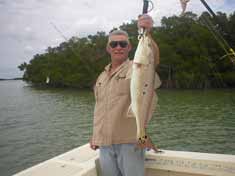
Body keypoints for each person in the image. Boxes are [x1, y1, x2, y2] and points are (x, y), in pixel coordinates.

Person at [90, 14, 159, 176]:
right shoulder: (102, 76)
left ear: (129, 47)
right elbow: (100, 108)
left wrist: (147, 33)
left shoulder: (135, 68)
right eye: (114, 44)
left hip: (129, 143)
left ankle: (142, 138)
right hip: (105, 145)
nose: (118, 47)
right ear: (108, 48)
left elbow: (152, 59)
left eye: (123, 44)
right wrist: (95, 135)